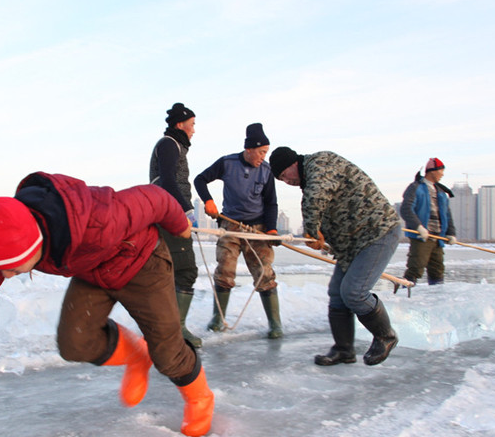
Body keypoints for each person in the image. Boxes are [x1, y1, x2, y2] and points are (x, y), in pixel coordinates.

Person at [0, 172, 214, 437]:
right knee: (74, 343)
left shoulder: (100, 218)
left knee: (167, 354)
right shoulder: (0, 242)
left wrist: (179, 225)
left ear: (32, 245)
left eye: (11, 269)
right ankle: (136, 355)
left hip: (142, 262)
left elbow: (154, 197)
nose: (5, 276)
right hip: (92, 271)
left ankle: (200, 398)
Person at [269, 147, 401, 367]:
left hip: (377, 233)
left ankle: (386, 336)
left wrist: (311, 229)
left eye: (284, 175)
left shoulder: (320, 164)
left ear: (293, 163)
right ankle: (344, 349)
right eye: (280, 179)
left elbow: (317, 196)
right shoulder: (310, 182)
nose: (286, 181)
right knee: (337, 294)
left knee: (354, 292)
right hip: (352, 245)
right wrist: (319, 237)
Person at [193, 123, 283, 338]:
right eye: (261, 152)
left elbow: (271, 203)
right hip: (231, 226)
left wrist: (271, 229)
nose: (263, 156)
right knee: (224, 272)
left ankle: (275, 324)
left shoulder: (267, 170)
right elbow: (200, 179)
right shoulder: (228, 163)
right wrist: (208, 201)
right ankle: (217, 319)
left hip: (257, 228)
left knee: (265, 274)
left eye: (266, 153)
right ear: (249, 149)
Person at [149, 102, 202, 348]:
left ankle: (166, 329)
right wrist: (187, 209)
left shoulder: (174, 145)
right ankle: (176, 330)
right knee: (185, 270)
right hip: (171, 215)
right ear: (180, 124)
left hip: (168, 213)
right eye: (192, 125)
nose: (194, 130)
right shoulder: (169, 144)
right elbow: (168, 179)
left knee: (169, 272)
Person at [399, 158, 456, 288]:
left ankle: (437, 297)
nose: (442, 174)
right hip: (422, 237)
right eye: (441, 171)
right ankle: (405, 295)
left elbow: (447, 215)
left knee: (437, 270)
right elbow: (406, 209)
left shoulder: (441, 192)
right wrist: (418, 227)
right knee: (416, 267)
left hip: (438, 237)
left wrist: (451, 233)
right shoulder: (416, 188)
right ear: (432, 171)